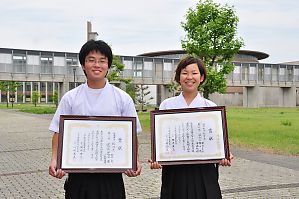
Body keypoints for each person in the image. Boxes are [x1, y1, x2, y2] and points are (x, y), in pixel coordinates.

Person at [48, 39, 142, 199]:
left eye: (102, 61)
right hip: (78, 175)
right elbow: (58, 131)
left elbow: (132, 135)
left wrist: (134, 160)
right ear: (83, 65)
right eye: (91, 60)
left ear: (108, 66)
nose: (97, 65)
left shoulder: (122, 98)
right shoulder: (70, 98)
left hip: (111, 176)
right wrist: (55, 159)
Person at [149, 56, 233, 199]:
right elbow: (161, 141)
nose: (189, 77)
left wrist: (224, 154)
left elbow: (217, 142)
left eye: (194, 73)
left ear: (201, 77)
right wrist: (157, 157)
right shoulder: (167, 106)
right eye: (184, 73)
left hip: (204, 173)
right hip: (174, 173)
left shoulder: (210, 108)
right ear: (178, 77)